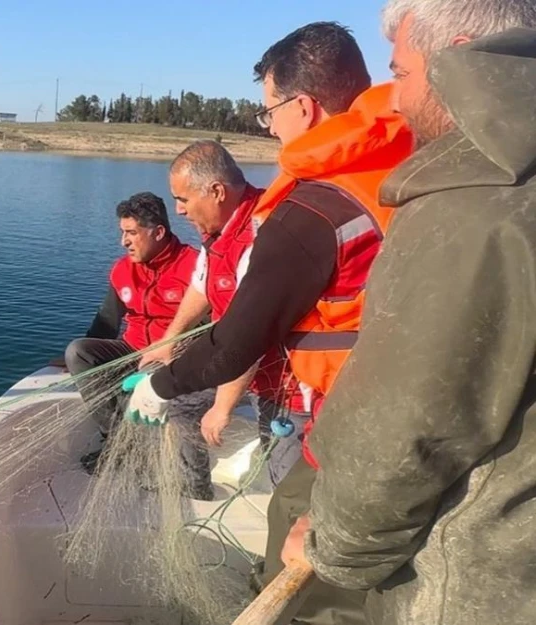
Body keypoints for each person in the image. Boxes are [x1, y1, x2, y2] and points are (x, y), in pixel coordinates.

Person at [123, 22, 415, 624]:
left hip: (352, 413)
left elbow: (234, 347)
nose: (269, 125)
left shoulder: (310, 212)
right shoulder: (412, 171)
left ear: (303, 107)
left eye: (269, 111)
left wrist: (162, 384)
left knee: (295, 535)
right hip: (411, 395)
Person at [279, 5, 536, 625]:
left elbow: (409, 426)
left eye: (402, 73)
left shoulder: (470, 204)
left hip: (479, 583)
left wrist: (329, 542)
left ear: (463, 54)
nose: (392, 102)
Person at [148, 139, 309, 487]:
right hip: (236, 362)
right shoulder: (219, 232)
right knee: (180, 405)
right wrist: (169, 339)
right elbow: (202, 285)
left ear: (217, 191)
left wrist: (222, 408)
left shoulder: (264, 235)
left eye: (183, 199)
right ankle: (193, 494)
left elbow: (252, 335)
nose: (177, 210)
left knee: (288, 486)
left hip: (286, 384)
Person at [59, 192, 202, 481]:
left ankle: (159, 458)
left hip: (174, 357)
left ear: (159, 232)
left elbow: (212, 328)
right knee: (77, 352)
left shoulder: (196, 268)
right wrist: (68, 360)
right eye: (122, 232)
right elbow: (107, 323)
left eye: (131, 233)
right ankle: (117, 440)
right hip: (132, 350)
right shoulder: (122, 270)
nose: (123, 241)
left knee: (149, 377)